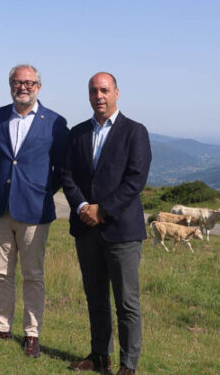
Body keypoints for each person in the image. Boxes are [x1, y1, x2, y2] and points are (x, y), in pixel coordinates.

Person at [61, 72, 152, 375]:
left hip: (122, 231)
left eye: (104, 90)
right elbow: (67, 175)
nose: (98, 96)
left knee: (126, 302)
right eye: (93, 91)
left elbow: (135, 179)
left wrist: (104, 210)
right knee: (95, 297)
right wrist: (84, 206)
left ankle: (128, 365)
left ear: (116, 93)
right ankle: (99, 355)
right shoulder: (76, 134)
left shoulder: (134, 132)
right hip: (86, 229)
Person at [0, 64, 68, 359]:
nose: (23, 87)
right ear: (10, 85)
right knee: (1, 271)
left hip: (35, 208)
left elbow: (61, 167)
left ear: (39, 87)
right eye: (17, 83)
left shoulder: (54, 122)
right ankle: (1, 326)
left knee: (33, 274)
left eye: (29, 83)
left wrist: (38, 190)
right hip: (0, 205)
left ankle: (32, 334)